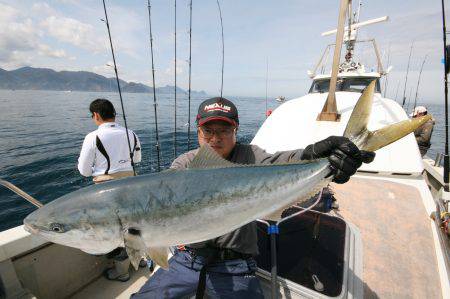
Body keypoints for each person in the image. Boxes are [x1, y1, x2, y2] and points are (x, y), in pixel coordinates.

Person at [132, 97, 375, 298]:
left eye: (224, 130)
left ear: (235, 131)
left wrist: (319, 158)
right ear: (198, 131)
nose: (215, 138)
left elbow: (283, 162)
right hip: (188, 259)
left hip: (236, 266)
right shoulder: (185, 164)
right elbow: (166, 191)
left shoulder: (251, 156)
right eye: (208, 130)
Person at [78, 98, 142, 282]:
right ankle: (141, 262)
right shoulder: (132, 134)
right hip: (131, 185)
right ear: (114, 114)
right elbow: (136, 160)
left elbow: (84, 171)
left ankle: (122, 273)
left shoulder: (92, 137)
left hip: (106, 188)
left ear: (96, 115)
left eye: (93, 116)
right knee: (135, 225)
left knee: (115, 230)